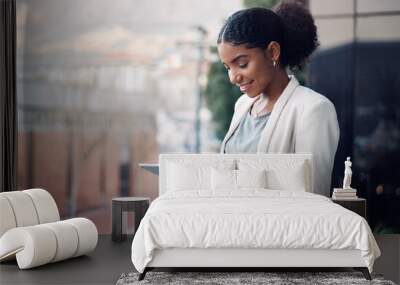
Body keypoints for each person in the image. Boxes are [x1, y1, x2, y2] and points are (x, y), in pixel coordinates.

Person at [217, 3, 340, 197]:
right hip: (234, 222)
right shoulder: (242, 106)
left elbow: (314, 195)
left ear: (273, 52)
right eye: (227, 67)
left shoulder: (314, 109)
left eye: (242, 64)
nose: (233, 77)